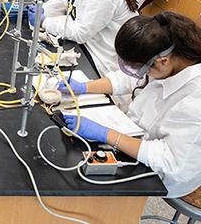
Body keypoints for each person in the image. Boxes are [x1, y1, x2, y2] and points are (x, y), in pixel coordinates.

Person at [60, 11, 201, 199]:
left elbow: (171, 162)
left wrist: (107, 134)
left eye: (140, 67)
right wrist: (83, 88)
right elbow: (129, 78)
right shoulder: (170, 57)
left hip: (164, 175)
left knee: (85, 185)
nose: (138, 73)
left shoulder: (195, 99)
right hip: (136, 136)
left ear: (163, 61)